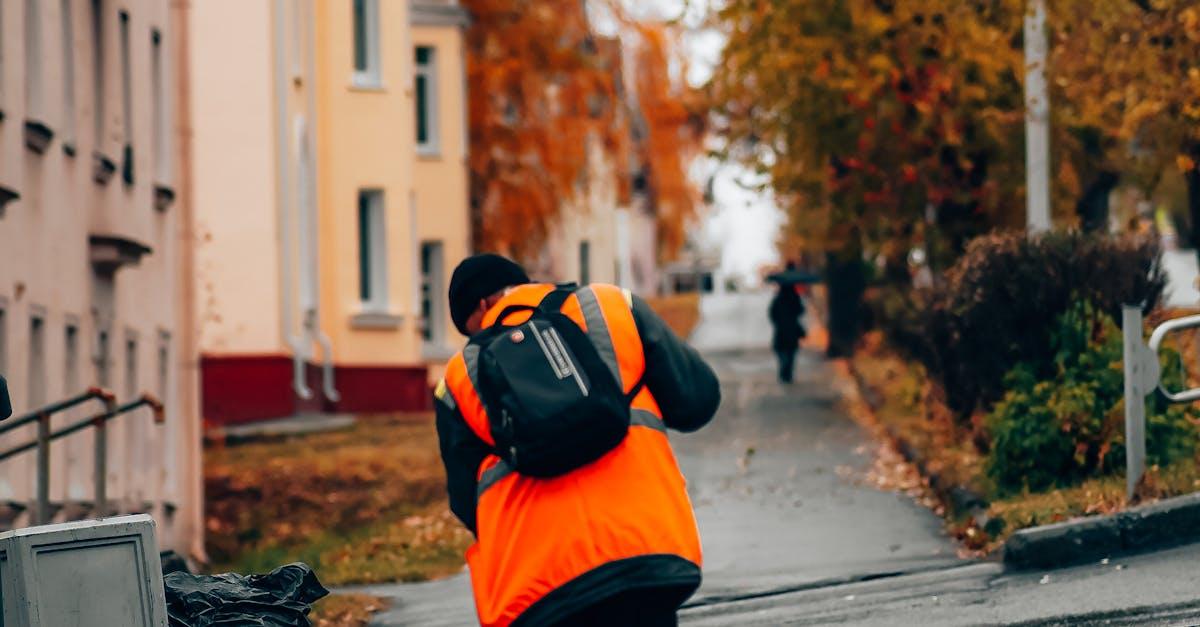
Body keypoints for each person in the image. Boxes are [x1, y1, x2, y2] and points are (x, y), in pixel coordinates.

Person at [434, 253, 721, 627]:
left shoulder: (458, 379)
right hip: (649, 553)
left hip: (540, 589)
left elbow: (464, 501)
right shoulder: (612, 307)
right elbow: (697, 401)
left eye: (470, 329)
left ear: (485, 305)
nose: (476, 340)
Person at [768, 280, 806, 383]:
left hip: (781, 331)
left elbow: (772, 314)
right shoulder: (795, 298)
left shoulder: (778, 299)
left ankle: (783, 373)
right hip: (792, 331)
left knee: (782, 352)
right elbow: (801, 311)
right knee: (791, 353)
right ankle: (787, 374)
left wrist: (778, 322)